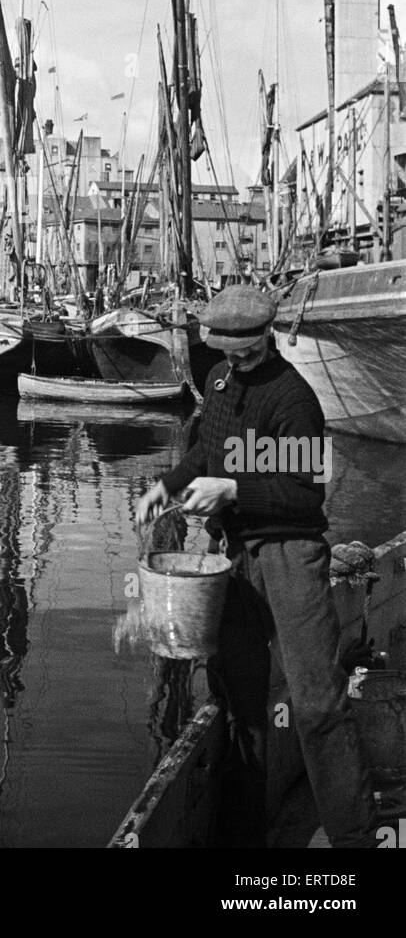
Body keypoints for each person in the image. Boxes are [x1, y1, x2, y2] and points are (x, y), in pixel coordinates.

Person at [136, 285, 377, 849]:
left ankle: (357, 839)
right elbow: (207, 453)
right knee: (238, 700)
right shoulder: (220, 382)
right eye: (226, 351)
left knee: (317, 705)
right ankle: (241, 837)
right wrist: (167, 485)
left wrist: (232, 491)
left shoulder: (294, 400)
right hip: (234, 560)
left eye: (245, 352)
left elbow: (303, 498)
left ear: (266, 338)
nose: (236, 362)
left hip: (290, 556)